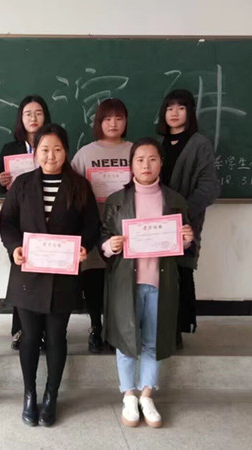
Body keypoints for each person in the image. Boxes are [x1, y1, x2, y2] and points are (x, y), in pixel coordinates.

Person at [0, 123, 100, 427]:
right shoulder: (22, 184)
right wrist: (15, 247)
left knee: (56, 336)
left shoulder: (79, 185)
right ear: (35, 152)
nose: (50, 155)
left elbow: (91, 225)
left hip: (62, 275)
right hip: (28, 274)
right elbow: (7, 222)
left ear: (66, 151)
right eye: (44, 149)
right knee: (30, 337)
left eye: (57, 149)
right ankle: (29, 394)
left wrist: (84, 246)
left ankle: (51, 395)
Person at [100, 137, 194, 428]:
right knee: (126, 340)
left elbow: (184, 247)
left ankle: (147, 394)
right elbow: (102, 239)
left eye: (152, 159)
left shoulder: (175, 201)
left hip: (160, 283)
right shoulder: (117, 200)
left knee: (154, 340)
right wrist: (110, 245)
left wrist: (187, 240)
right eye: (140, 159)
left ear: (161, 163)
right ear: (131, 165)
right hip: (126, 283)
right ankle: (128, 394)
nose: (146, 165)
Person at [156, 89, 220, 342]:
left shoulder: (199, 143)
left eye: (181, 108)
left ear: (190, 112)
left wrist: (180, 215)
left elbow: (209, 187)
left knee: (181, 272)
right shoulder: (157, 143)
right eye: (170, 108)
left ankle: (177, 331)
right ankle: (159, 328)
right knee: (157, 274)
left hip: (185, 223)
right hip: (155, 223)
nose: (174, 113)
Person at [71, 98, 133, 353]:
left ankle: (118, 329)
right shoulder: (86, 154)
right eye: (107, 118)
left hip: (127, 230)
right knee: (94, 279)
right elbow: (71, 187)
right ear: (99, 122)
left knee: (121, 281)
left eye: (119, 118)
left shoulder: (134, 150)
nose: (113, 123)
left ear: (126, 121)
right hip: (93, 227)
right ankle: (96, 327)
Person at [0, 95, 52, 350]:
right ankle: (20, 330)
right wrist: (2, 180)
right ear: (21, 118)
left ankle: (43, 331)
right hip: (19, 218)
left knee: (46, 276)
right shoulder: (10, 148)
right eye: (28, 113)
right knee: (21, 275)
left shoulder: (53, 144)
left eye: (38, 113)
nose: (33, 118)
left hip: (47, 218)